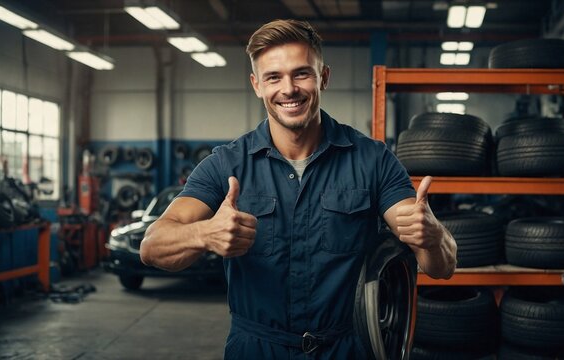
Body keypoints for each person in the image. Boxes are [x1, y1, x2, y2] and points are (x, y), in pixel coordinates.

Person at [140, 19, 456, 359]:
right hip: (257, 348)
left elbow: (442, 267)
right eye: (273, 77)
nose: (288, 89)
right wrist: (205, 234)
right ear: (256, 85)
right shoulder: (226, 165)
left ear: (324, 77)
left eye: (302, 73)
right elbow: (152, 246)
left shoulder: (373, 160)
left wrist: (432, 234)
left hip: (344, 348)